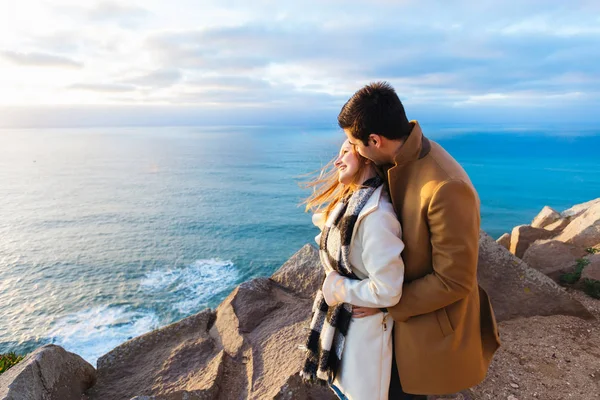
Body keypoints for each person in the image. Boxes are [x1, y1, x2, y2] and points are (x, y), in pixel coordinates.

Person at [336, 81, 501, 399]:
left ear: (375, 140)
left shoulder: (445, 187)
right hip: (395, 319)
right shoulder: (397, 157)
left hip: (420, 325)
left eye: (353, 143)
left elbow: (454, 280)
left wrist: (385, 304)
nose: (352, 151)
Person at [300, 140, 405, 400]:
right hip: (346, 329)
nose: (337, 161)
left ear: (367, 156)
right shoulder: (350, 204)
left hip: (362, 336)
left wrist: (337, 288)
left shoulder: (377, 217)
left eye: (345, 152)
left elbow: (388, 290)